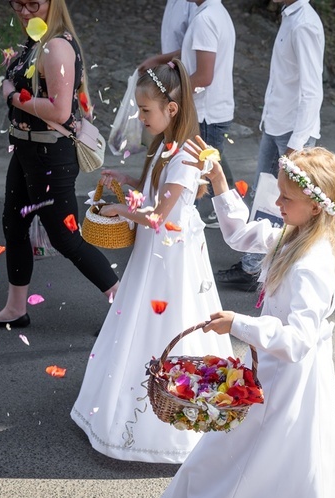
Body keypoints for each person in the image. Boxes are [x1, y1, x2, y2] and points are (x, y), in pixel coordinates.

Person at [158, 137, 335, 498]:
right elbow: (238, 234)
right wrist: (218, 181)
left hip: (286, 378)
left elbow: (297, 341)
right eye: (279, 193)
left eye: (286, 199)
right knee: (251, 450)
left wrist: (238, 324)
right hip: (269, 365)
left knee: (249, 451)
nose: (277, 204)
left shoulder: (311, 264)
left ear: (314, 207)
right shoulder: (293, 236)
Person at [71, 60, 234, 463]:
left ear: (171, 111)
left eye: (145, 111)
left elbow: (160, 216)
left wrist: (119, 213)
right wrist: (127, 181)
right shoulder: (164, 146)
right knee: (138, 323)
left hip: (170, 259)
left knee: (165, 322)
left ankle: (170, 413)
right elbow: (153, 191)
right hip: (154, 251)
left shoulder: (184, 158)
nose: (140, 117)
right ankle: (128, 393)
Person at [0, 0, 119, 329]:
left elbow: (59, 112)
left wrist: (12, 95)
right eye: (18, 3)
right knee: (14, 226)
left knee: (65, 237)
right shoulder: (36, 41)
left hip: (49, 155)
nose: (24, 11)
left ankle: (125, 307)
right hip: (27, 151)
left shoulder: (55, 46)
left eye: (33, 4)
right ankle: (15, 308)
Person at [216, 0, 324, 286]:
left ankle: (280, 268)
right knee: (265, 197)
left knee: (290, 202)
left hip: (292, 132)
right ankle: (254, 268)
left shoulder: (304, 23)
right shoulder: (291, 17)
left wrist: (295, 147)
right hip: (277, 124)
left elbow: (312, 92)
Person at [139, 0, 236, 226]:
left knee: (192, 184)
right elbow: (191, 52)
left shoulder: (206, 18)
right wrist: (161, 61)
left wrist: (166, 96)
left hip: (205, 113)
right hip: (209, 110)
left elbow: (203, 76)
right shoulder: (212, 12)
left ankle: (180, 231)